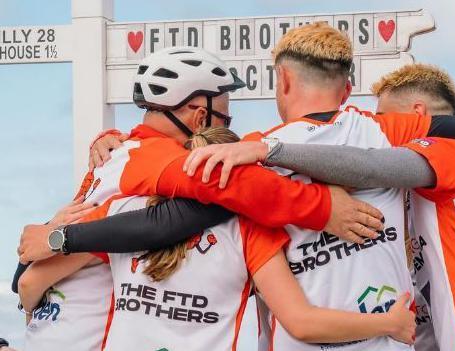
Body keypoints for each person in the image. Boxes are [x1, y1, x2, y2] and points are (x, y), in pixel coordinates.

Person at [15, 46, 385, 351]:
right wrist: (322, 208)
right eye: (226, 118)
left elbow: (28, 280)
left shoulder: (116, 157)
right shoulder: (156, 158)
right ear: (200, 116)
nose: (228, 129)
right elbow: (236, 185)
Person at [185, 63, 455, 350]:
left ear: (417, 118)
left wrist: (270, 150)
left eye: (383, 118)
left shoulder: (453, 159)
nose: (377, 130)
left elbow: (369, 165)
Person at [21, 126, 416, 351]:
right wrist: (388, 323)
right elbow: (302, 322)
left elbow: (29, 282)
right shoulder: (250, 229)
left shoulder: (122, 213)